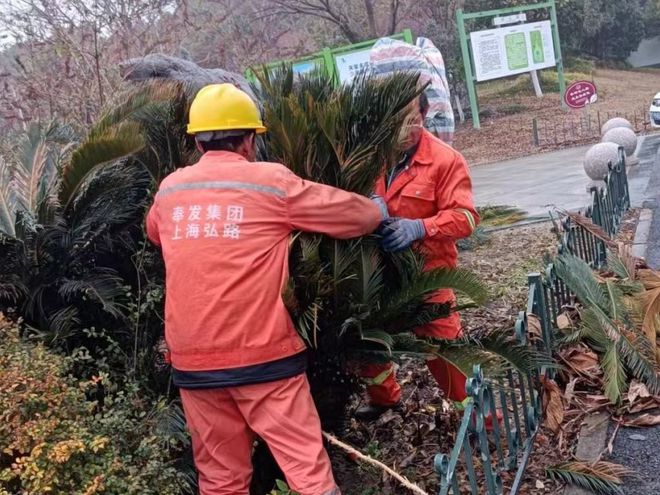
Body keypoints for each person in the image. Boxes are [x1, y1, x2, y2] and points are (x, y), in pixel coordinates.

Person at [145, 83, 388, 495]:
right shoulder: (270, 183)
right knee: (306, 471)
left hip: (193, 363)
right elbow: (356, 217)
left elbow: (155, 231)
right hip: (263, 358)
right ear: (250, 140)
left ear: (197, 141)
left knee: (220, 480)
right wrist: (377, 211)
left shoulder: (171, 189)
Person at [357, 92, 479, 418]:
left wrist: (420, 228)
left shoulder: (445, 160)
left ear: (424, 115)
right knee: (368, 342)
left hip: (428, 275)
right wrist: (366, 206)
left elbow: (466, 217)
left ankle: (474, 416)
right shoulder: (373, 157)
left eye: (411, 120)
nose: (403, 128)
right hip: (379, 272)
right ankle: (384, 399)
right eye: (396, 120)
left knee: (444, 349)